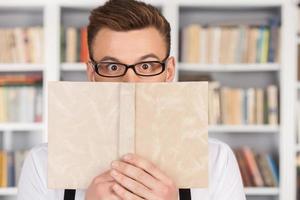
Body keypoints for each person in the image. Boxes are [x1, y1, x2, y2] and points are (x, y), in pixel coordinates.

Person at [17, 0, 246, 199]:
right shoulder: (42, 163)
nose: (130, 81)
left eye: (146, 65)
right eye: (112, 66)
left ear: (168, 71)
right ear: (92, 74)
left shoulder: (216, 160)